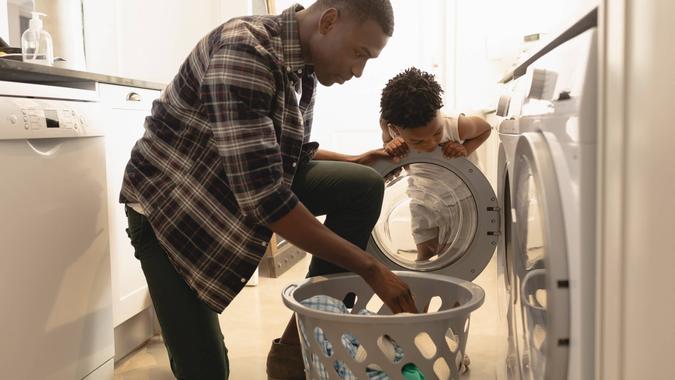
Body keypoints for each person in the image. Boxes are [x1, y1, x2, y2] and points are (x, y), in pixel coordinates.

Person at [119, 1, 417, 379]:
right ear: (328, 21)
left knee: (361, 186)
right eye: (359, 54)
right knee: (207, 370)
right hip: (174, 211)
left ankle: (298, 347)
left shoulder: (303, 65)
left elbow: (285, 156)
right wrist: (371, 269)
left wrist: (357, 160)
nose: (358, 71)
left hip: (229, 187)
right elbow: (264, 198)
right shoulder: (245, 52)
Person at [379, 67, 492, 262]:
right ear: (395, 130)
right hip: (422, 198)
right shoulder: (393, 132)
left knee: (450, 257)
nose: (431, 144)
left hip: (460, 201)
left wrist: (466, 149)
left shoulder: (455, 126)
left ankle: (451, 290)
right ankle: (420, 289)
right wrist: (388, 143)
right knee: (424, 253)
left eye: (436, 133)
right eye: (419, 142)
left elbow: (485, 129)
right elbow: (387, 147)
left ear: (439, 113)